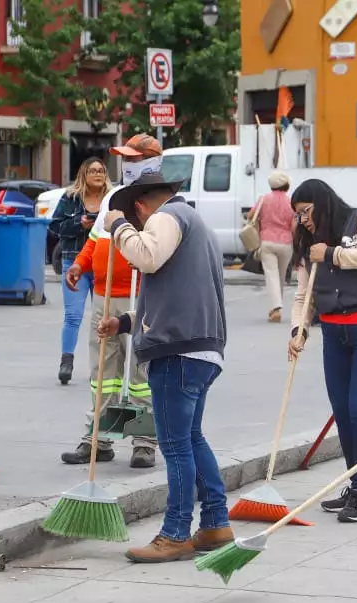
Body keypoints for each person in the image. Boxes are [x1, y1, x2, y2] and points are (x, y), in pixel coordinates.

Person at [100, 172, 231, 562]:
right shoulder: (197, 225)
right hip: (201, 347)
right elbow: (176, 288)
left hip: (176, 351)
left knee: (174, 445)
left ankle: (175, 533)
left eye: (136, 219)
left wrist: (118, 226)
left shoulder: (167, 216)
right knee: (191, 438)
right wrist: (125, 323)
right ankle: (215, 522)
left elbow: (147, 256)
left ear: (140, 207)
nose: (138, 228)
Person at [287, 178, 357, 523]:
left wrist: (333, 254)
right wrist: (299, 329)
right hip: (335, 331)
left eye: (306, 212)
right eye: (298, 216)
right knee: (342, 410)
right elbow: (302, 295)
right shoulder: (309, 243)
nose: (304, 220)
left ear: (322, 203)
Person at [62, 135, 163, 469]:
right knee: (103, 372)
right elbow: (95, 240)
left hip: (143, 300)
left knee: (142, 375)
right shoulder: (113, 199)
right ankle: (99, 438)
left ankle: (144, 442)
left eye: (135, 159)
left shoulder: (160, 202)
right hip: (105, 297)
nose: (128, 165)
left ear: (151, 162)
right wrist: (79, 263)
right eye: (126, 159)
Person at [50, 157, 111, 385]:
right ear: (83, 175)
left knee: (102, 317)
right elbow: (54, 227)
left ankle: (102, 364)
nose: (98, 174)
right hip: (73, 262)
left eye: (102, 171)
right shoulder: (71, 198)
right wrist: (79, 224)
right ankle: (67, 361)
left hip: (103, 264)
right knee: (73, 315)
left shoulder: (111, 199)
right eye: (93, 171)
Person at [249, 171, 296, 322]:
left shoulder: (264, 199)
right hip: (286, 243)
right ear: (286, 186)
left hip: (267, 241)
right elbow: (294, 224)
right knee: (281, 276)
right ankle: (276, 307)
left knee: (271, 275)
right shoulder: (291, 202)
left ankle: (276, 307)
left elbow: (251, 215)